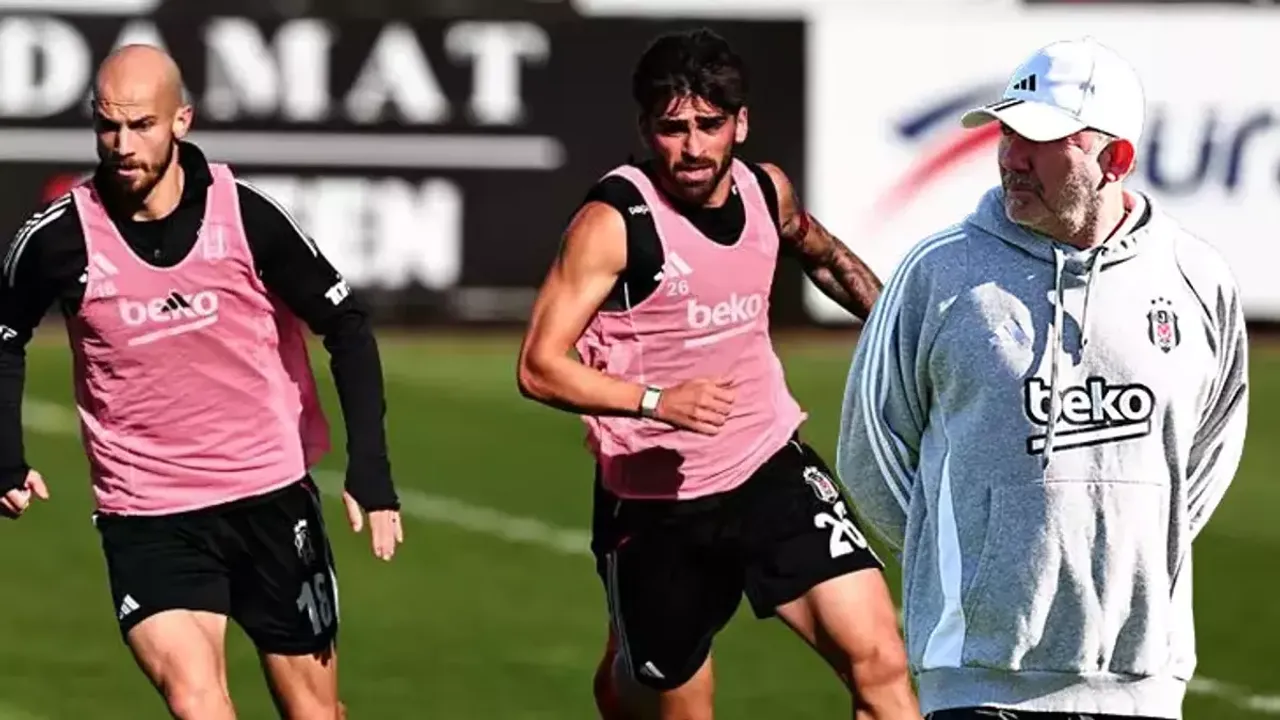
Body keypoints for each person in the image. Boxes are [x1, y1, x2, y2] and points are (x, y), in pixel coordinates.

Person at [835, 37, 1248, 720]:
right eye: (1007, 133)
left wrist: (1135, 552)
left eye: (1042, 139)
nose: (1011, 157)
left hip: (1142, 684)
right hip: (976, 682)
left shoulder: (1196, 278)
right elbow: (870, 449)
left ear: (1116, 159)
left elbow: (1207, 454)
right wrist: (971, 560)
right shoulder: (937, 273)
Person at [516, 27, 921, 720]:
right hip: (657, 503)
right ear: (647, 129)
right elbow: (538, 366)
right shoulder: (614, 222)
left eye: (710, 125)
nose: (694, 147)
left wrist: (903, 339)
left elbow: (822, 255)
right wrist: (655, 401)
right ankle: (628, 663)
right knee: (667, 702)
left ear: (741, 122)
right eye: (673, 129)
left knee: (880, 661)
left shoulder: (766, 191)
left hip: (769, 465)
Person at [0, 45, 404, 719]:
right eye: (107, 126)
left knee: (315, 712)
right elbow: (4, 337)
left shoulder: (245, 216)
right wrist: (5, 458)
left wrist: (372, 469)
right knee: (197, 702)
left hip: (269, 495)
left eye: (141, 125)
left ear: (181, 120)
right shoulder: (59, 237)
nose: (122, 145)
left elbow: (347, 325)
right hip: (147, 511)